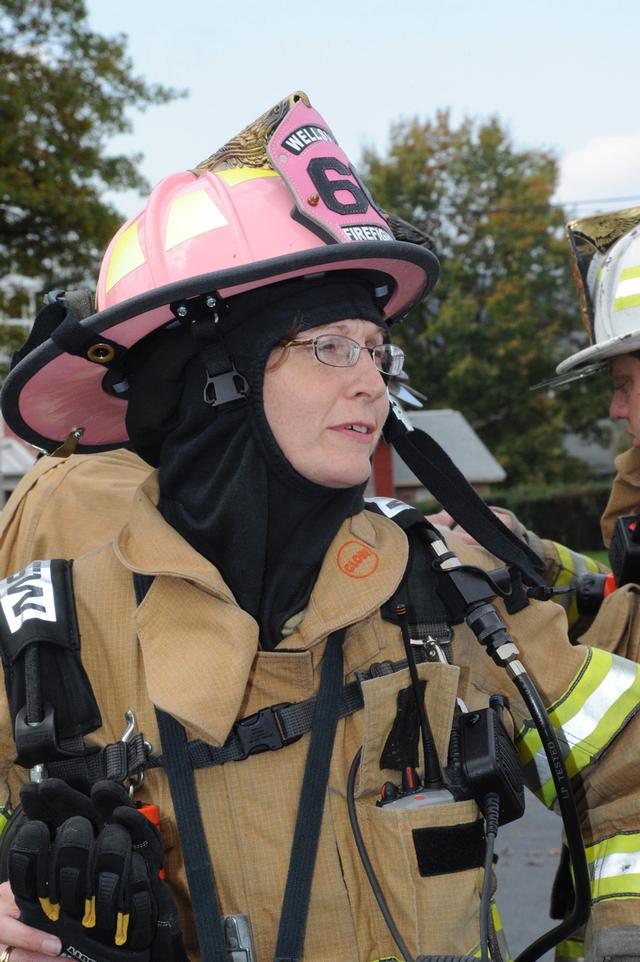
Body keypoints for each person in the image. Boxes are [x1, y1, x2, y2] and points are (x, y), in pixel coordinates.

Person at [0, 92, 639, 962]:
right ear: (209, 377)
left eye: (378, 351)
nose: (375, 386)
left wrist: (618, 936)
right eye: (331, 346)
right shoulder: (49, 643)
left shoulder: (444, 594)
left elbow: (629, 767)